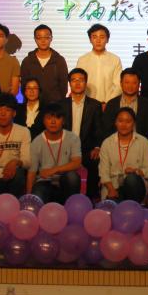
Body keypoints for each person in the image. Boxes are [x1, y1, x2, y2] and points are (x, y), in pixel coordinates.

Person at [27, 104, 83, 204]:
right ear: (44, 121)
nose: (53, 122)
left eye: (57, 118)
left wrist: (54, 169)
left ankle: (72, 206)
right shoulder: (37, 142)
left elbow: (77, 163)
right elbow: (32, 172)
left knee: (72, 177)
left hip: (65, 179)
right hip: (45, 181)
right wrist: (29, 197)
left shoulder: (72, 138)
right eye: (49, 118)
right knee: (37, 194)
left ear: (63, 121)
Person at [60, 68, 103, 199]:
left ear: (86, 83)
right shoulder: (61, 104)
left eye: (81, 80)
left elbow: (98, 129)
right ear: (69, 83)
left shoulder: (95, 105)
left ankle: (91, 197)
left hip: (86, 148)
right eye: (74, 80)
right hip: (65, 148)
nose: (77, 83)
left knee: (96, 161)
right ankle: (67, 196)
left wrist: (97, 147)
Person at [99, 107, 148, 202]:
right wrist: (111, 189)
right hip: (113, 186)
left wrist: (137, 171)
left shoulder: (143, 142)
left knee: (131, 179)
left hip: (135, 186)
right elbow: (103, 172)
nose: (124, 125)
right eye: (120, 121)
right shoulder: (107, 143)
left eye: (128, 121)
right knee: (113, 207)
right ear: (115, 122)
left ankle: (135, 205)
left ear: (134, 123)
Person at [102, 69, 148, 148]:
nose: (130, 86)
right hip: (115, 147)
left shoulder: (147, 105)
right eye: (127, 82)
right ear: (121, 83)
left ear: (139, 84)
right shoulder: (111, 104)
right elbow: (106, 129)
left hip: (140, 147)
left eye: (134, 83)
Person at [19, 25, 69, 104]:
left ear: (51, 38)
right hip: (33, 105)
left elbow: (63, 86)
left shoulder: (59, 60)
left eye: (46, 37)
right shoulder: (27, 61)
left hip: (54, 106)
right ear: (35, 39)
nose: (43, 41)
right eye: (39, 38)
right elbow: (24, 85)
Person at [76, 23, 122, 105]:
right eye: (94, 37)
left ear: (107, 40)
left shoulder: (115, 59)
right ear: (90, 40)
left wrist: (108, 103)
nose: (98, 41)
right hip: (87, 104)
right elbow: (79, 83)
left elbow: (118, 85)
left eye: (102, 37)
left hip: (108, 105)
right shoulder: (82, 60)